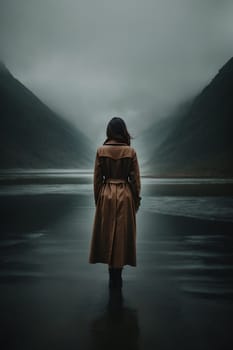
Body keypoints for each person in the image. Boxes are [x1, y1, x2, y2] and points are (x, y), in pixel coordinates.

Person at [88, 116, 141, 289]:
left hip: (106, 195)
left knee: (107, 234)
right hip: (125, 195)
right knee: (122, 236)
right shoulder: (131, 152)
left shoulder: (100, 151)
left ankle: (112, 276)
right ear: (123, 131)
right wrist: (136, 201)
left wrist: (99, 201)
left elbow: (97, 180)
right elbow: (136, 182)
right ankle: (118, 276)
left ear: (109, 131)